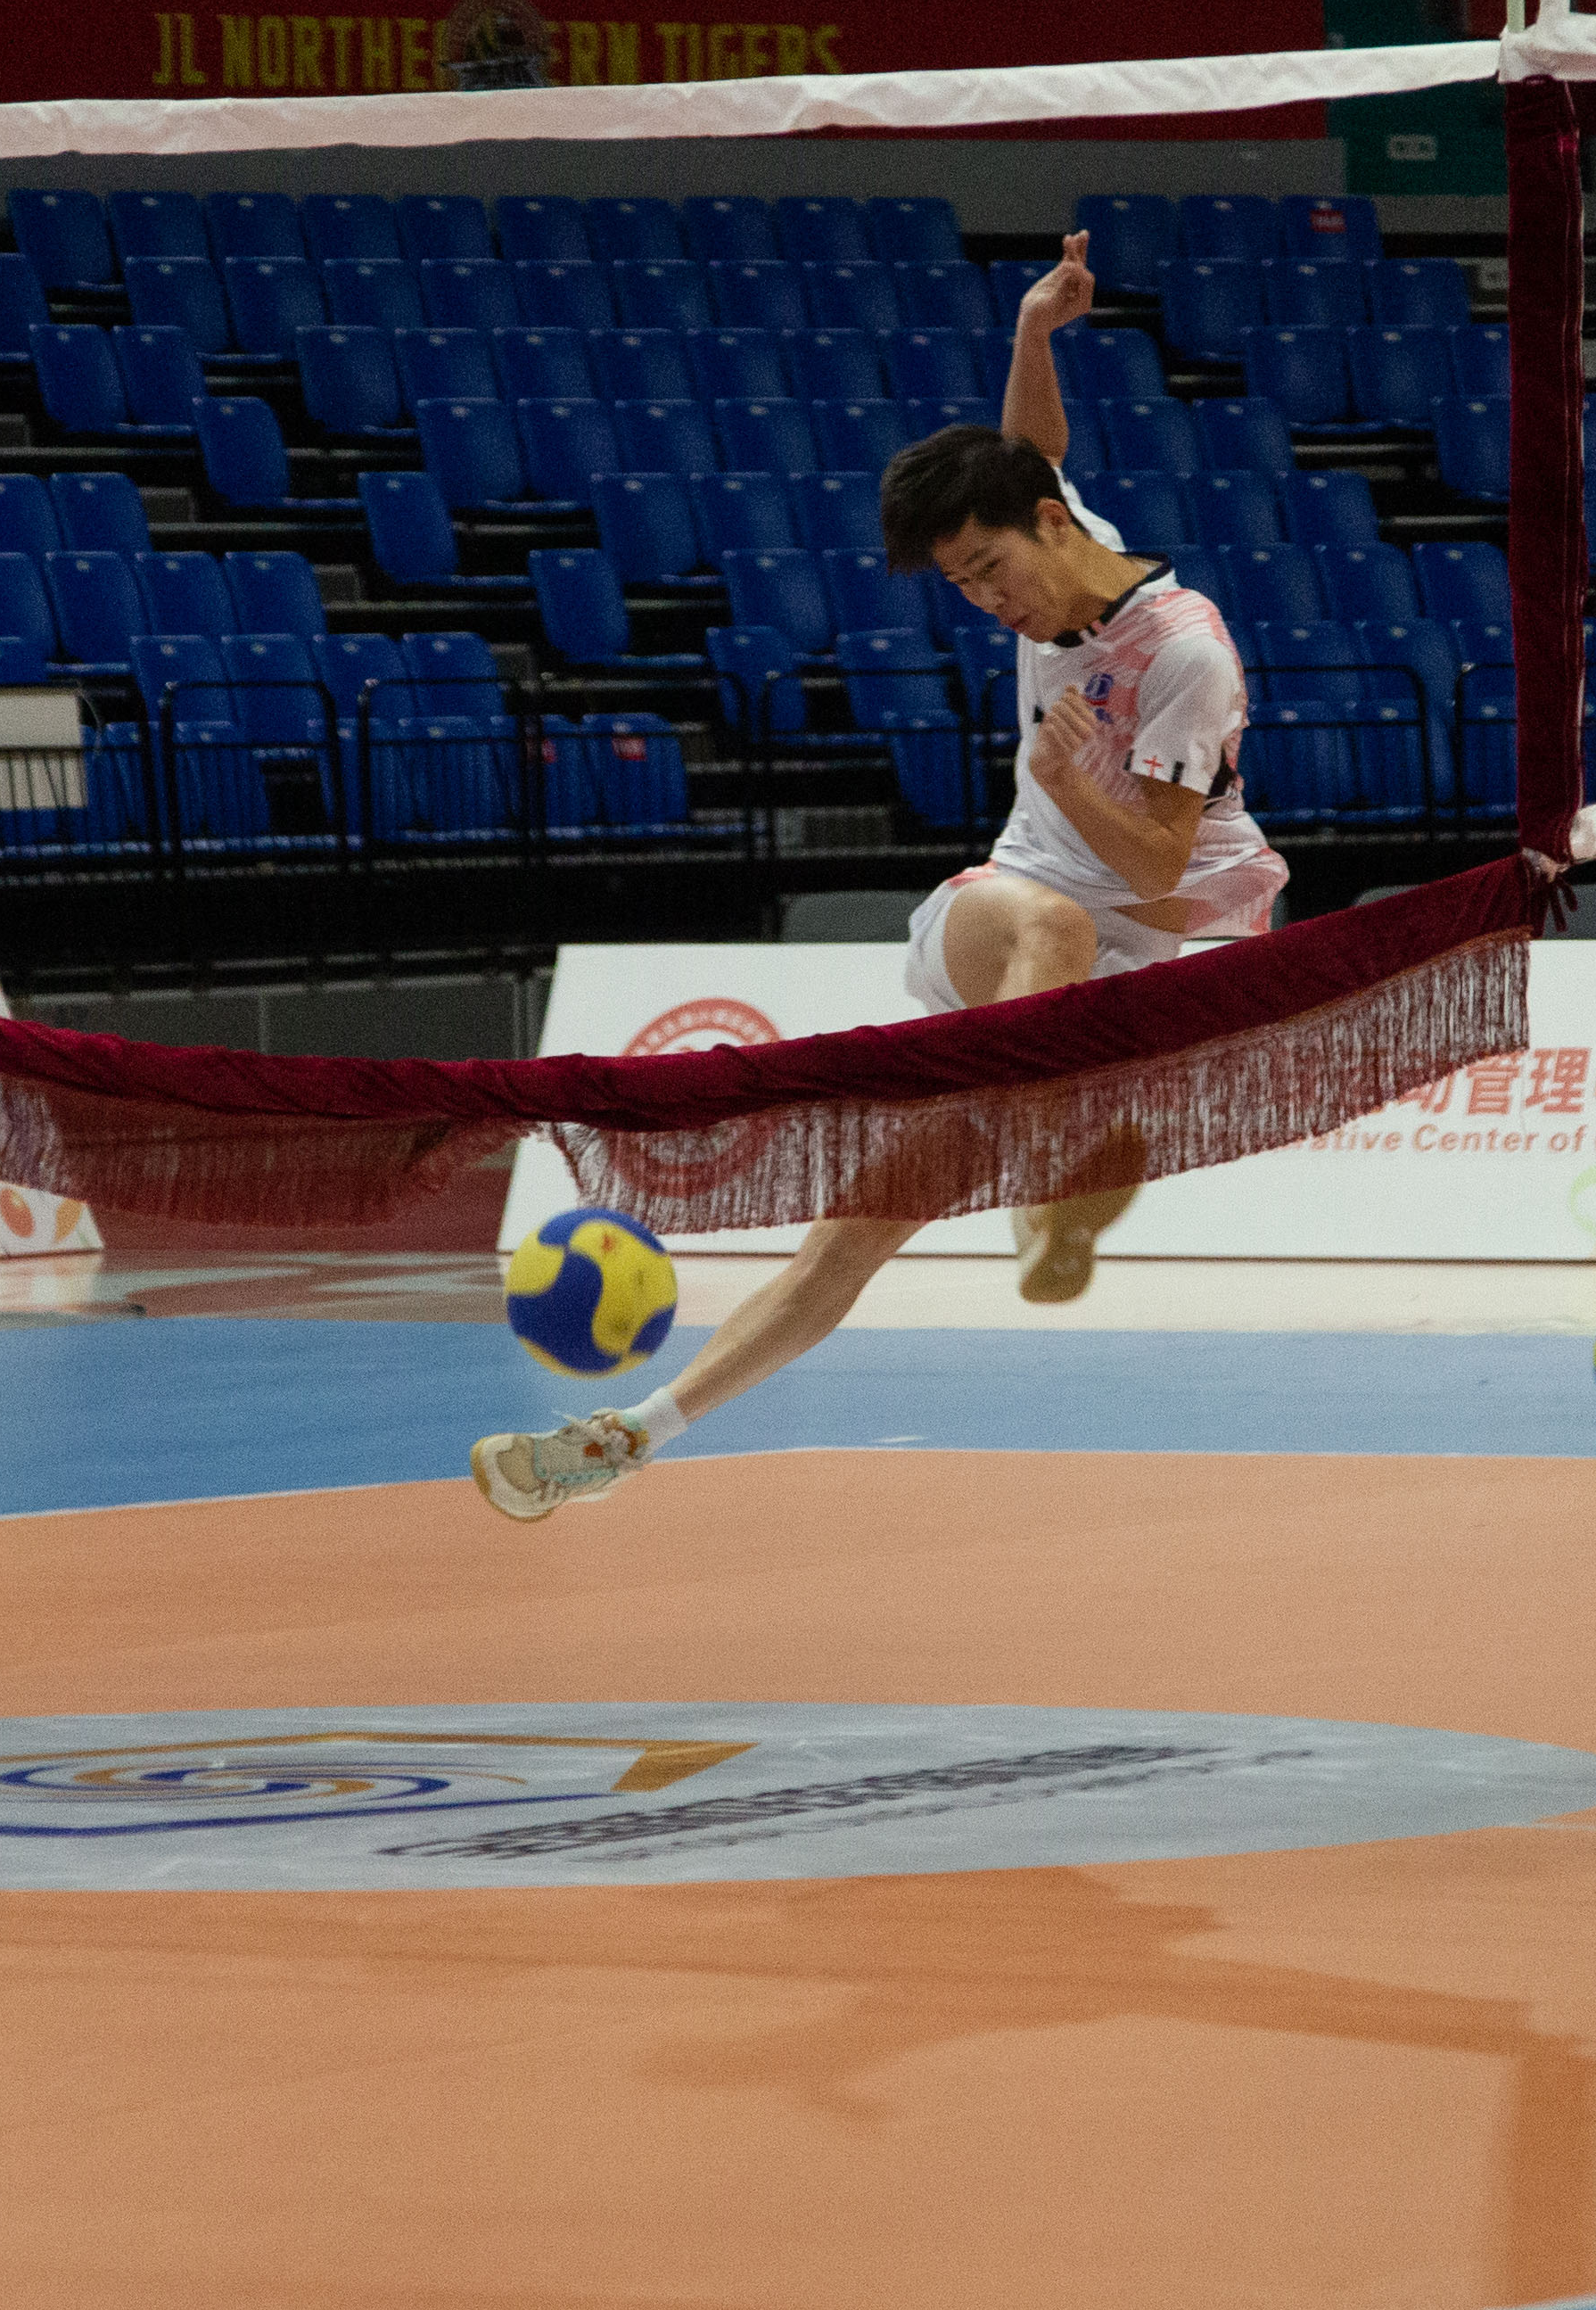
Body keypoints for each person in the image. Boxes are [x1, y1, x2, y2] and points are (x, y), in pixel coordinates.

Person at [470, 227, 1285, 1520]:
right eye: (960, 585)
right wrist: (1032, 331)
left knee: (850, 1236)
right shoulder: (1061, 541)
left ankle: (627, 1433)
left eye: (990, 570)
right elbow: (1036, 452)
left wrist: (1082, 785)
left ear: (1050, 531)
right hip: (1006, 924)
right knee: (1051, 921)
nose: (985, 602)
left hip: (1136, 962)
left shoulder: (1185, 653)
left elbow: (1168, 858)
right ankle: (1059, 1172)